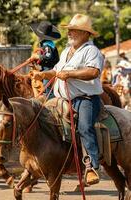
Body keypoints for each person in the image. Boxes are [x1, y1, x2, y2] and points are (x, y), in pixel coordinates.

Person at [32, 13, 104, 185]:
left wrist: (70, 74)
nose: (70, 33)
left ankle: (92, 167)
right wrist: (42, 73)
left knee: (85, 127)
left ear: (86, 34)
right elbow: (56, 71)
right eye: (70, 30)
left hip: (85, 99)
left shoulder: (92, 51)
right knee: (43, 119)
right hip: (62, 99)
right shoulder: (65, 52)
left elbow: (93, 72)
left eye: (75, 30)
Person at [30, 20, 61, 98]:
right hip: (46, 68)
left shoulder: (47, 45)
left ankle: (50, 104)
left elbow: (47, 56)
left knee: (47, 87)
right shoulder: (45, 44)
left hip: (50, 70)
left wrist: (36, 57)